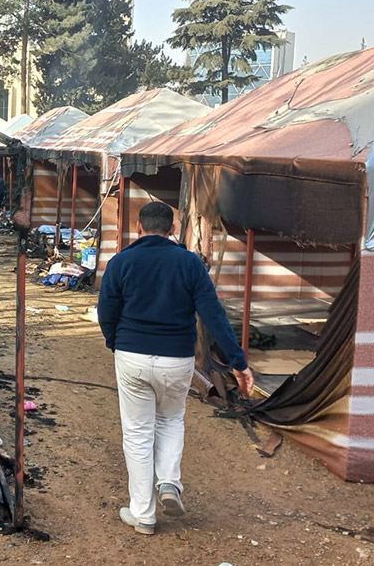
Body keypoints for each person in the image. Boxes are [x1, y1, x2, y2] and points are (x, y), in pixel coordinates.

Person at [96, 201, 254, 536]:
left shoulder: (121, 262)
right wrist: (238, 362)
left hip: (132, 354)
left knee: (137, 433)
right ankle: (169, 482)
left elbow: (106, 310)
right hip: (177, 358)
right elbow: (213, 315)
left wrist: (115, 342)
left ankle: (143, 515)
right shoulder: (190, 264)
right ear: (172, 229)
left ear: (138, 227)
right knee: (170, 420)